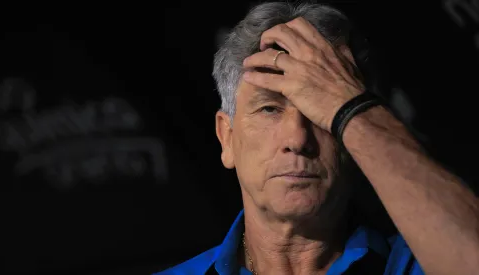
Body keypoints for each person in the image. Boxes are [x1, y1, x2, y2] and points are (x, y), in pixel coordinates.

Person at [155, 1, 479, 274]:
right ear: (227, 138)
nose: (297, 139)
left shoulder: (417, 265)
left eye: (320, 113)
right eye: (269, 109)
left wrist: (351, 105)